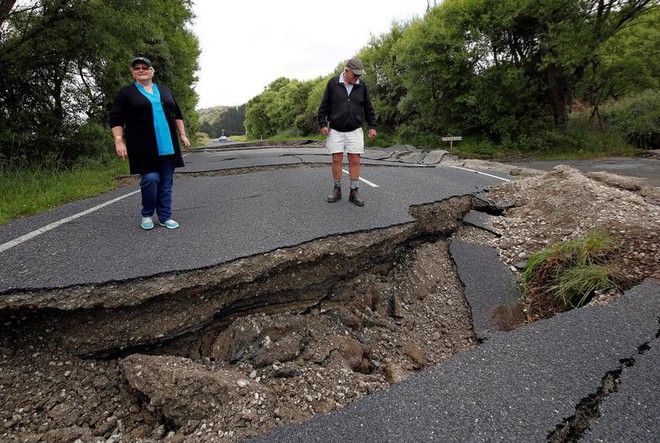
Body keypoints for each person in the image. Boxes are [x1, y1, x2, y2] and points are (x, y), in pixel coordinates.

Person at [110, 56, 190, 230]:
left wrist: (183, 135)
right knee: (150, 179)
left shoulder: (165, 90)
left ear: (152, 71)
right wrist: (119, 141)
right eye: (137, 68)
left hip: (168, 145)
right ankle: (147, 214)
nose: (141, 70)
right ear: (132, 72)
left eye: (144, 67)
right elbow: (116, 118)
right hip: (142, 146)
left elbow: (177, 114)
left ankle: (165, 216)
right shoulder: (126, 93)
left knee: (166, 182)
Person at [318, 57, 377, 206]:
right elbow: (323, 106)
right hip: (336, 129)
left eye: (359, 75)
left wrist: (372, 126)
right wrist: (322, 123)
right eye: (355, 74)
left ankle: (354, 191)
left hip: (355, 129)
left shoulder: (362, 86)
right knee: (337, 158)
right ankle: (337, 189)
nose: (357, 77)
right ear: (347, 70)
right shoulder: (333, 83)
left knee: (355, 160)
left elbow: (368, 108)